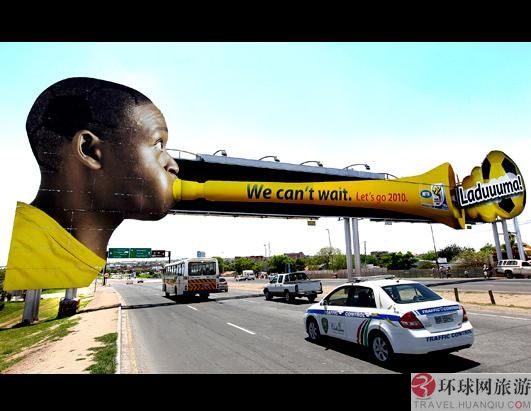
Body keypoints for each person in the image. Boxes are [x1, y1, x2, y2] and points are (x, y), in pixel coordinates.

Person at [4, 77, 179, 291]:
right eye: (158, 144)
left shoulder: (64, 259)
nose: (173, 165)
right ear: (89, 151)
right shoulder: (33, 265)